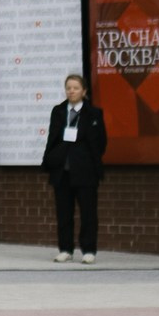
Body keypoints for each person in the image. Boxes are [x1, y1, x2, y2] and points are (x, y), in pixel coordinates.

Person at [40, 73, 107, 263]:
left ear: (84, 91)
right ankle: (65, 249)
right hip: (63, 170)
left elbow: (101, 143)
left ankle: (88, 250)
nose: (71, 91)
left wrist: (87, 158)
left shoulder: (94, 114)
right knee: (63, 212)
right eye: (68, 88)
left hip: (85, 171)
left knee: (88, 212)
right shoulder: (59, 111)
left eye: (75, 88)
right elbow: (53, 138)